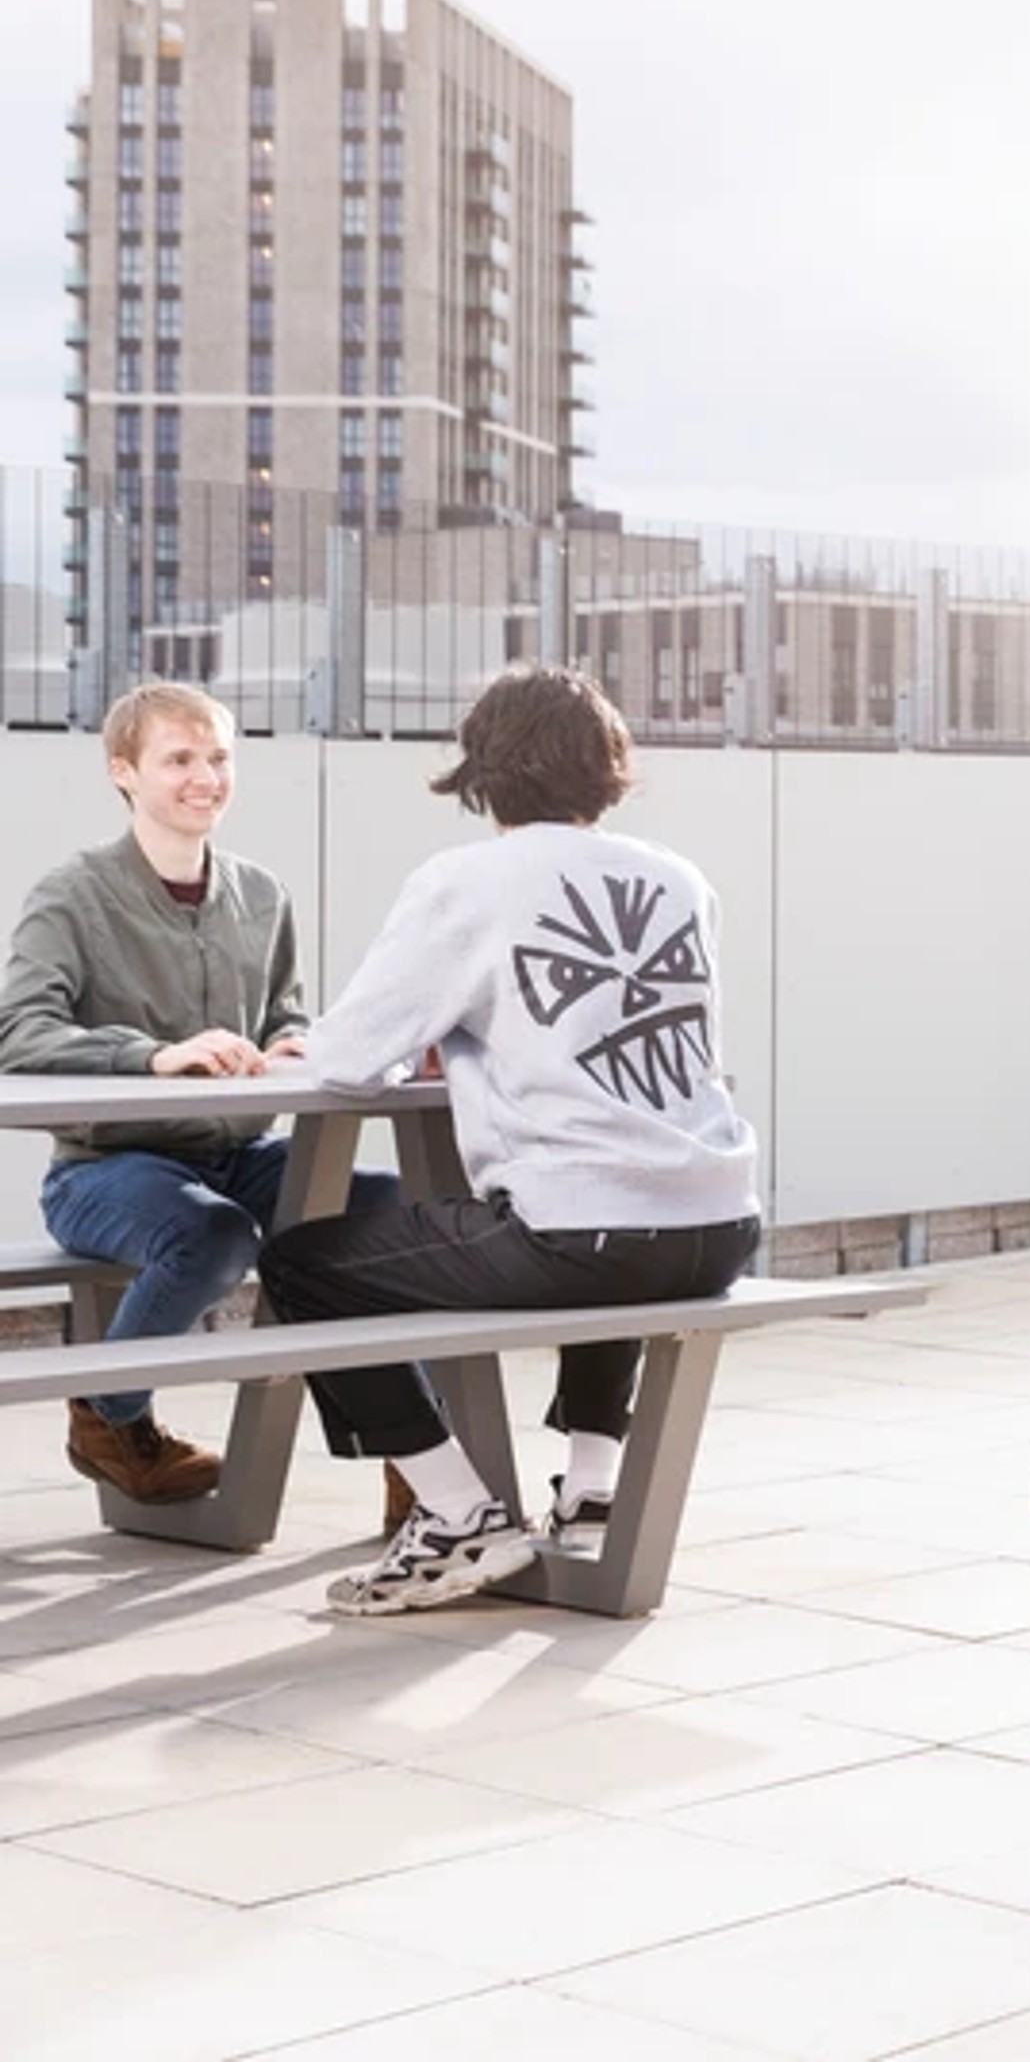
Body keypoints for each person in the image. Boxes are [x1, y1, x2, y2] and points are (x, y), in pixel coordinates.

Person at [261, 667, 765, 1618]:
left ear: (484, 767)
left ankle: (457, 1514)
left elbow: (352, 1056)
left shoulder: (468, 879)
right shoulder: (678, 878)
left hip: (587, 1235)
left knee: (303, 1265)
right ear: (607, 763)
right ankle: (589, 1487)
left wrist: (303, 1047)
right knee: (614, 1188)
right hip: (721, 1223)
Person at [0, 681, 400, 1505]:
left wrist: (298, 1040)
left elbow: (284, 1010)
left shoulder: (261, 894)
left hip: (239, 1150)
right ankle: (111, 1416)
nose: (205, 776)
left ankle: (417, 1452)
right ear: (124, 771)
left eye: (218, 757)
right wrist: (152, 1056)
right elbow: (17, 1031)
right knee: (213, 1234)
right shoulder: (72, 894)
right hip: (105, 1170)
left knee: (390, 1205)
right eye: (178, 759)